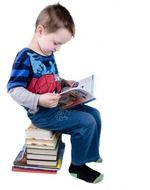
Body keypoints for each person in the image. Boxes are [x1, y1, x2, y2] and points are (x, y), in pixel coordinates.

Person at [6, 3, 103, 184]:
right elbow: (13, 89)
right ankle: (77, 166)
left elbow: (51, 78)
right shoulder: (24, 57)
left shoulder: (46, 51)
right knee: (85, 122)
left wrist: (65, 83)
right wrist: (38, 99)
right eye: (56, 43)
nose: (58, 49)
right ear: (40, 30)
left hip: (58, 103)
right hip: (43, 114)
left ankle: (90, 153)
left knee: (95, 114)